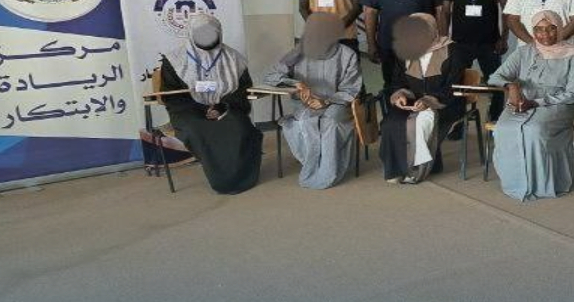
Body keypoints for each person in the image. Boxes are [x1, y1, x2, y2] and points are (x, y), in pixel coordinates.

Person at [156, 13, 264, 195]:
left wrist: (221, 107)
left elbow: (243, 91)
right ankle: (222, 179)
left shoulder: (234, 59)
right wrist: (202, 110)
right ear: (191, 33)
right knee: (198, 130)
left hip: (227, 108)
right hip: (189, 111)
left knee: (241, 127)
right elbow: (172, 96)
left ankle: (240, 177)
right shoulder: (174, 60)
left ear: (219, 33)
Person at [487, 9, 574, 202]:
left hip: (558, 105)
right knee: (503, 128)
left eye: (551, 28)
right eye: (539, 29)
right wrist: (511, 86)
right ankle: (515, 182)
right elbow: (495, 77)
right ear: (533, 31)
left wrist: (536, 102)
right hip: (522, 103)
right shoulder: (524, 52)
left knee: (534, 129)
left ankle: (540, 184)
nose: (545, 34)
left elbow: (573, 94)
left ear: (559, 28)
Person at [263, 13, 363, 189]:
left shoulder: (347, 54)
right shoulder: (298, 52)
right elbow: (271, 76)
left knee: (330, 121)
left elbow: (351, 88)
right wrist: (295, 83)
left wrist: (327, 101)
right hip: (305, 104)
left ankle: (328, 171)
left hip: (337, 103)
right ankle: (312, 166)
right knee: (305, 121)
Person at [379, 13, 467, 184]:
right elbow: (397, 82)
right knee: (391, 122)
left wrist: (429, 101)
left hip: (445, 103)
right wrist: (400, 95)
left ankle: (416, 170)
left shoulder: (453, 51)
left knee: (418, 123)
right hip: (412, 102)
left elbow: (454, 86)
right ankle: (395, 169)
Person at [437, 0, 513, 122]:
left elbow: (507, 9)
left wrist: (504, 38)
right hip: (459, 43)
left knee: (496, 83)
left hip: (490, 42)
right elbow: (444, 12)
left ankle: (495, 121)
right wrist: (443, 40)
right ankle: (456, 122)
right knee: (455, 83)